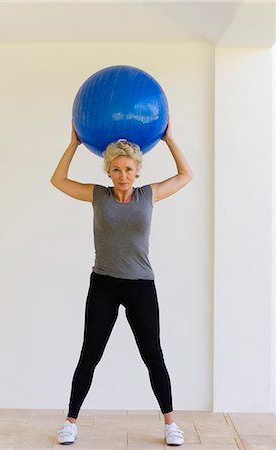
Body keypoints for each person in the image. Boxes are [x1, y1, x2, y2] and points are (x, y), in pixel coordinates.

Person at [50, 118, 193, 446]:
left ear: (137, 170)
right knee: (90, 353)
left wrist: (170, 138)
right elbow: (57, 180)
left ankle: (171, 424)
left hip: (141, 285)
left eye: (128, 169)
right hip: (103, 283)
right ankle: (71, 421)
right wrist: (73, 143)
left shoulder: (148, 195)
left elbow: (186, 176)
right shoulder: (98, 196)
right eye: (116, 170)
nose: (123, 176)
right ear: (108, 172)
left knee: (153, 354)